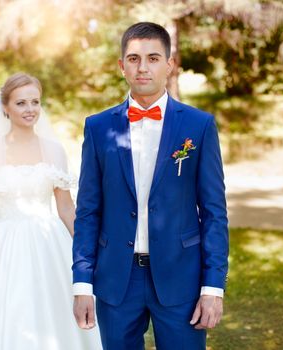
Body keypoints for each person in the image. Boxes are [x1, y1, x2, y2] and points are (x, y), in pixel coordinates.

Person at [72, 22, 229, 349]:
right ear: (121, 66)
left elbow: (214, 212)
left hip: (180, 279)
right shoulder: (98, 128)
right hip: (116, 280)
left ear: (169, 65)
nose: (143, 67)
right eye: (133, 59)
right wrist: (82, 284)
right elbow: (88, 211)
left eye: (153, 58)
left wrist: (212, 288)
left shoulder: (199, 126)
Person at [0, 73, 101, 349]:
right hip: (4, 244)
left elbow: (66, 208)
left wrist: (86, 253)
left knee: (55, 310)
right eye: (21, 103)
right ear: (5, 107)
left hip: (50, 243)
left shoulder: (54, 150)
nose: (30, 109)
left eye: (35, 102)